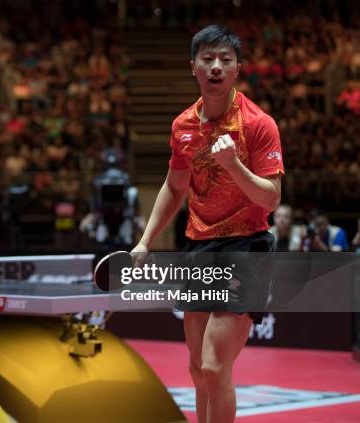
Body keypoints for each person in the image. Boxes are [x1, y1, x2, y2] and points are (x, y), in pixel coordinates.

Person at [131, 25, 284, 423]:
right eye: (208, 59)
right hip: (200, 245)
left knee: (216, 367)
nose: (216, 66)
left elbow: (271, 198)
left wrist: (233, 164)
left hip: (245, 245)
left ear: (237, 69)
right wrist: (146, 241)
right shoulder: (182, 127)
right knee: (198, 369)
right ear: (194, 67)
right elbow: (174, 186)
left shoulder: (258, 124)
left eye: (225, 60)